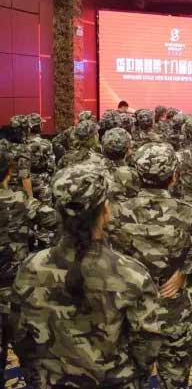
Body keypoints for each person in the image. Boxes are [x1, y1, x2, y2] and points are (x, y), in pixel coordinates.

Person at [11, 164, 165, 389]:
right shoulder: (132, 273)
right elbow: (147, 347)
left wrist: (39, 377)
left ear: (58, 212)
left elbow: (20, 337)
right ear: (106, 211)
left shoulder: (30, 267)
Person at [107, 142, 192, 389]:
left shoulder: (116, 213)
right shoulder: (186, 212)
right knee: (174, 381)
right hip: (173, 311)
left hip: (129, 310)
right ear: (174, 176)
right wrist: (187, 273)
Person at [0, 151, 58, 388]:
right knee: (31, 358)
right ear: (9, 173)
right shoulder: (21, 200)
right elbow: (55, 220)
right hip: (18, 291)